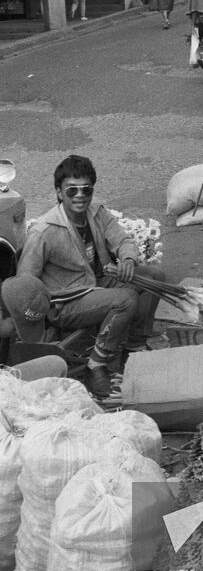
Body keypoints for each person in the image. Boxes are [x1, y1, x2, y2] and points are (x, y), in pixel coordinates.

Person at [0, 155, 166, 398]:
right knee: (126, 299)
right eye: (72, 190)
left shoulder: (97, 212)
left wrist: (128, 258)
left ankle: (134, 343)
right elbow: (26, 283)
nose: (80, 195)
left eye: (85, 189)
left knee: (154, 276)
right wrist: (34, 317)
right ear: (59, 193)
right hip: (65, 301)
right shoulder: (45, 231)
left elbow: (122, 239)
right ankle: (96, 364)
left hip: (96, 282)